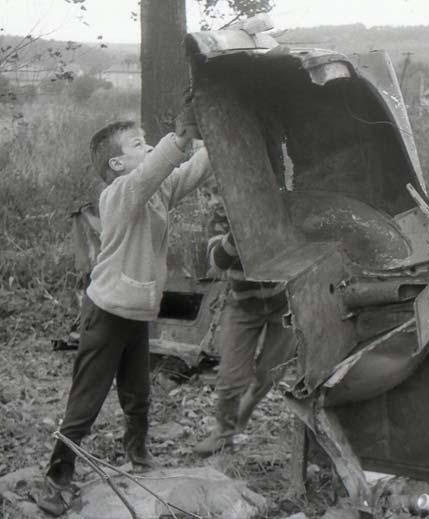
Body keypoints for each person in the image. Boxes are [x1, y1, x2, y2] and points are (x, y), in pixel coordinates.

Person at [38, 116, 212, 516]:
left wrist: (216, 138)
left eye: (147, 141)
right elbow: (154, 170)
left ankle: (139, 456)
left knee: (138, 395)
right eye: (137, 144)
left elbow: (191, 171)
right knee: (86, 402)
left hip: (136, 314)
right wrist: (180, 137)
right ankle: (57, 477)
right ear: (116, 164)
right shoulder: (118, 194)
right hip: (106, 313)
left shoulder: (157, 190)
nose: (148, 148)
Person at [194, 227, 296, 457]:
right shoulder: (219, 220)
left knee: (271, 373)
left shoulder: (269, 213)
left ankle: (243, 412)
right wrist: (238, 228)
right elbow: (219, 263)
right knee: (231, 376)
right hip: (242, 306)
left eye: (216, 194)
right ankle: (223, 434)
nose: (214, 202)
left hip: (283, 304)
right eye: (210, 196)